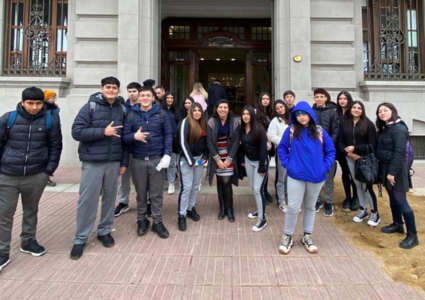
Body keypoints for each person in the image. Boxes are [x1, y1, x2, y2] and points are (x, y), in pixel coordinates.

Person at [0, 86, 62, 271]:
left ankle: (28, 241)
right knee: (4, 214)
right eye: (30, 103)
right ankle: (3, 251)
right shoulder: (8, 118)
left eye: (38, 103)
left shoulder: (50, 120)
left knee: (30, 210)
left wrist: (47, 172)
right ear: (22, 102)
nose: (34, 107)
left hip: (36, 175)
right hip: (8, 175)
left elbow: (55, 147)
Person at [70, 77, 128, 260]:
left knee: (110, 199)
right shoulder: (90, 107)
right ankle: (80, 238)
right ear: (101, 88)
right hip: (93, 161)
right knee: (87, 200)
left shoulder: (122, 109)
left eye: (114, 87)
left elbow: (124, 138)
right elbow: (77, 132)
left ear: (118, 90)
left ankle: (104, 230)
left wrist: (124, 162)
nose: (111, 90)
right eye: (108, 87)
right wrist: (103, 132)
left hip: (113, 161)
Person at [277, 101, 335, 254]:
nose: (301, 117)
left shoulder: (320, 132)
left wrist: (325, 167)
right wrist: (287, 164)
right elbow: (282, 148)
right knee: (293, 208)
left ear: (310, 115)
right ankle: (287, 235)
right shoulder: (291, 130)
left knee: (310, 206)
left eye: (304, 114)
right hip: (296, 175)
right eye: (298, 114)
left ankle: (307, 235)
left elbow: (331, 151)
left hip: (316, 176)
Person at [122, 86, 173, 239]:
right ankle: (141, 220)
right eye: (142, 95)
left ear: (153, 98)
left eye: (147, 95)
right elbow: (124, 137)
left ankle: (157, 221)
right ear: (138, 97)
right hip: (137, 160)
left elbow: (168, 135)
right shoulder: (131, 116)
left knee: (157, 194)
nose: (145, 98)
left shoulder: (161, 115)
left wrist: (167, 155)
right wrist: (134, 137)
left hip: (156, 159)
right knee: (141, 193)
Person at [376, 103, 419, 249]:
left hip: (396, 171)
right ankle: (397, 224)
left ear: (393, 111)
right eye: (380, 111)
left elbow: (399, 153)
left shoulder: (399, 129)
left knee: (401, 201)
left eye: (385, 110)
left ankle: (412, 235)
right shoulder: (387, 128)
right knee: (393, 199)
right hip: (386, 168)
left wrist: (391, 173)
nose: (382, 113)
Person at [338, 101, 380, 227]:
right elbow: (340, 141)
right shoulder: (345, 124)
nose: (356, 110)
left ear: (362, 110)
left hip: (364, 159)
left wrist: (356, 148)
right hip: (350, 159)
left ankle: (375, 213)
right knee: (357, 185)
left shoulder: (368, 124)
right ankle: (363, 210)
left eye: (359, 108)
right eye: (354, 107)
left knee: (366, 187)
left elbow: (372, 145)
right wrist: (347, 153)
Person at [177, 103, 208, 231]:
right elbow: (182, 142)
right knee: (186, 187)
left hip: (199, 160)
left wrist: (205, 156)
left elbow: (207, 142)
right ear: (190, 111)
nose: (196, 113)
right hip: (187, 160)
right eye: (194, 110)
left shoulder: (203, 124)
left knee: (195, 186)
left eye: (199, 111)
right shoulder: (186, 122)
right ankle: (181, 215)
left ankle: (191, 208)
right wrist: (190, 161)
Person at [207, 100, 240, 222]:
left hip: (229, 158)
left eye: (225, 107)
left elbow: (236, 142)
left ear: (228, 108)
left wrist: (228, 160)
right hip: (217, 158)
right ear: (216, 108)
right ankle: (222, 208)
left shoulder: (234, 122)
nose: (222, 109)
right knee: (219, 182)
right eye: (220, 107)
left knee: (226, 182)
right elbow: (209, 142)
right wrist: (218, 159)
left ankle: (230, 209)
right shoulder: (211, 122)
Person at [239, 106, 269, 231]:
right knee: (252, 187)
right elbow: (241, 146)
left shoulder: (259, 129)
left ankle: (262, 220)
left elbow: (263, 149)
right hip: (248, 160)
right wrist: (242, 160)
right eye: (243, 114)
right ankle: (259, 210)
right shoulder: (241, 129)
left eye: (248, 114)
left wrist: (262, 167)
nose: (246, 116)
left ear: (252, 115)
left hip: (260, 162)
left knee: (258, 190)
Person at [115, 82, 142, 217]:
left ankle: (143, 202)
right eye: (129, 91)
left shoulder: (144, 107)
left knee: (140, 180)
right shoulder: (122, 108)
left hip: (139, 149)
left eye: (134, 91)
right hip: (125, 148)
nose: (131, 94)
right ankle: (123, 202)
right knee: (124, 178)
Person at [312, 88, 339, 216]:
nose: (319, 99)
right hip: (314, 151)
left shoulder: (332, 113)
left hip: (328, 150)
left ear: (326, 98)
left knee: (328, 178)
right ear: (314, 98)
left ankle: (328, 202)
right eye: (317, 96)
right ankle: (317, 201)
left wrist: (328, 145)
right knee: (315, 176)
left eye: (322, 96)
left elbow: (335, 131)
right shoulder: (310, 112)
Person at [336, 91, 359, 211]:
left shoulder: (353, 113)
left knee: (353, 174)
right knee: (345, 173)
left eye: (345, 98)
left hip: (352, 149)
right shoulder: (336, 113)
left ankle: (356, 197)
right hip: (340, 149)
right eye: (340, 98)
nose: (342, 101)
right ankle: (348, 197)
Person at [268, 100, 290, 212]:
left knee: (290, 177)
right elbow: (271, 136)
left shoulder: (292, 119)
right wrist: (285, 142)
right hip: (282, 152)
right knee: (281, 178)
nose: (280, 109)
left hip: (294, 152)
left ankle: (289, 200)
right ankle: (281, 201)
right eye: (277, 108)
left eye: (281, 107)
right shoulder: (275, 121)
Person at [255, 92, 274, 204]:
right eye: (263, 98)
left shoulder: (272, 112)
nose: (266, 100)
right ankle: (262, 191)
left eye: (267, 98)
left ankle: (265, 191)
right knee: (262, 168)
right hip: (261, 144)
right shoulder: (256, 112)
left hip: (270, 144)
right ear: (260, 100)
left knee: (266, 168)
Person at [162, 92, 182, 195]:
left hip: (175, 140)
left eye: (171, 98)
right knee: (165, 163)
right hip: (163, 140)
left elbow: (179, 125)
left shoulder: (177, 111)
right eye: (168, 98)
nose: (169, 99)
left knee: (175, 163)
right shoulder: (160, 111)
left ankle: (175, 182)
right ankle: (167, 183)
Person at [43, 89, 60, 187]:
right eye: (53, 97)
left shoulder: (54, 108)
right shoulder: (43, 108)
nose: (54, 99)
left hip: (53, 134)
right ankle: (45, 177)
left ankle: (47, 175)